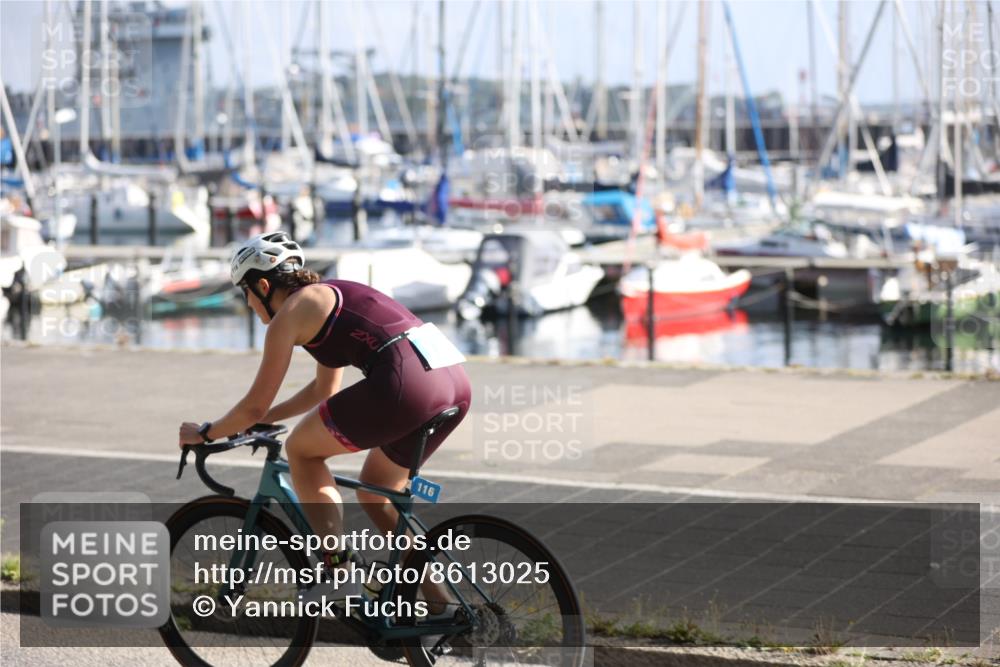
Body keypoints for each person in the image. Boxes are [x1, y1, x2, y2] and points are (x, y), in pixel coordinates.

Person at [177, 231, 471, 594]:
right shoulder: (328, 295)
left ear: (263, 286)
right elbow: (323, 390)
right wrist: (266, 419)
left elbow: (253, 405)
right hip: (453, 382)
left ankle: (339, 573)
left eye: (245, 292)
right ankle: (441, 604)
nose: (248, 304)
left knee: (302, 450)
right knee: (377, 492)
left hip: (408, 385)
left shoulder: (289, 315)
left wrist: (206, 432)